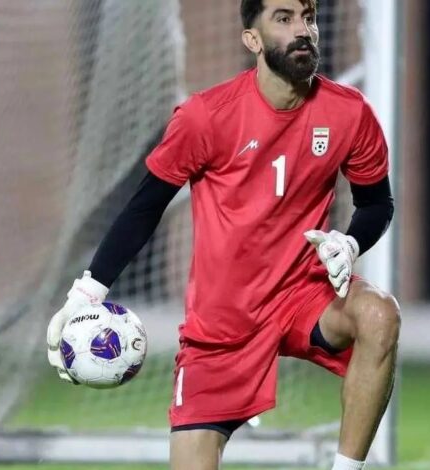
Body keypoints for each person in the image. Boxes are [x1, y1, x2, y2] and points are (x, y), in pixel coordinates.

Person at [47, 1, 400, 468]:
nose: (303, 30)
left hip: (303, 295)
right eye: (284, 18)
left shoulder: (348, 113)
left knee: (379, 314)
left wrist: (350, 243)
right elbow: (145, 207)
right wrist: (88, 291)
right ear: (252, 39)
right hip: (223, 322)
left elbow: (377, 204)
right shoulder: (206, 116)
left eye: (309, 17)